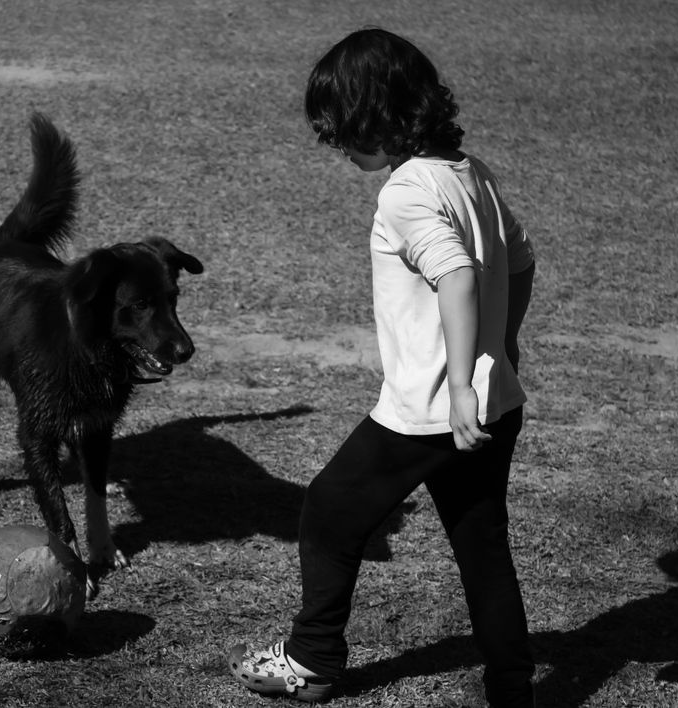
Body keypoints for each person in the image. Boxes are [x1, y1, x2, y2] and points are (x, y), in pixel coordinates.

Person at [227, 28, 537, 707]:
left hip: (431, 409)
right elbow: (518, 260)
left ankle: (311, 661)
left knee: (330, 513)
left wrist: (458, 383)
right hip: (494, 404)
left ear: (377, 116)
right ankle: (514, 691)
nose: (338, 147)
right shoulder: (470, 173)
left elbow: (456, 274)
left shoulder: (406, 191)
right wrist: (500, 351)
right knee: (482, 548)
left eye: (340, 131)